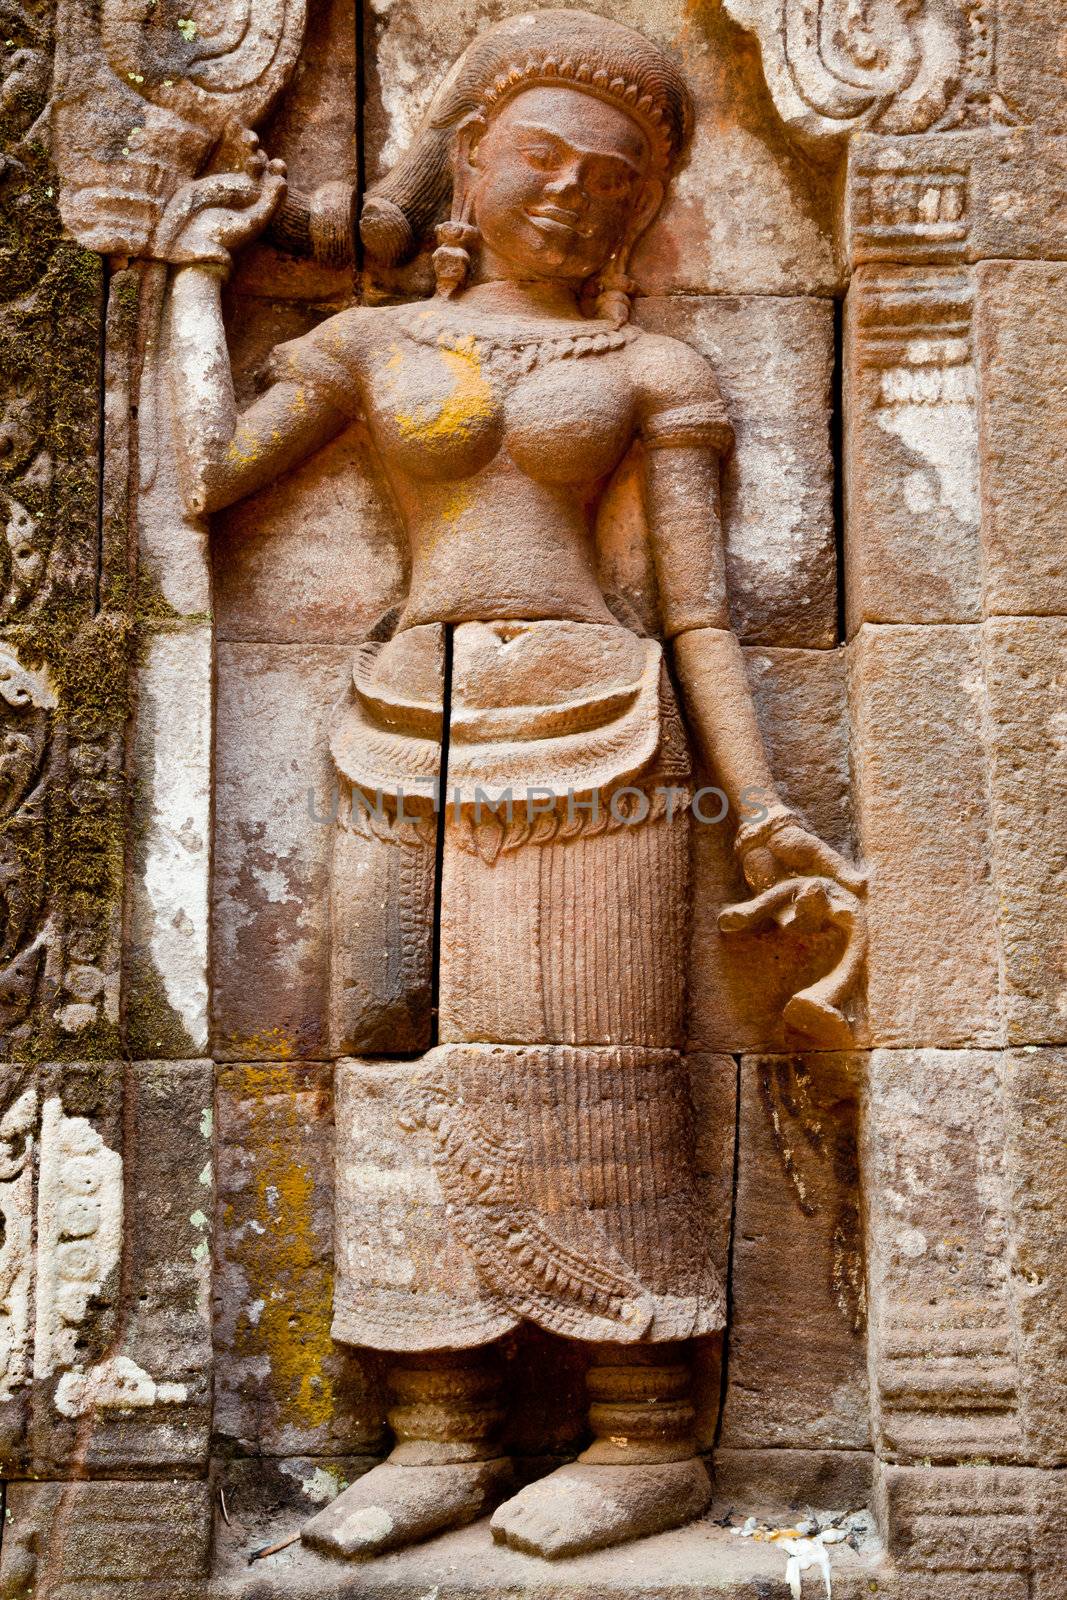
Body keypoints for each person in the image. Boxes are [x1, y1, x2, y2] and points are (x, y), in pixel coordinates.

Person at [157, 9, 865, 1561]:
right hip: (402, 729)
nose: (572, 194)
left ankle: (644, 1429)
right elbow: (199, 478)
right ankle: (438, 1432)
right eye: (538, 159)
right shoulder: (370, 346)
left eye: (614, 180)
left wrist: (762, 804)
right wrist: (190, 276)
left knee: (599, 1065)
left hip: (601, 735)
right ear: (469, 164)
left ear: (644, 209)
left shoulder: (651, 365)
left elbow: (697, 616)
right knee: (394, 1062)